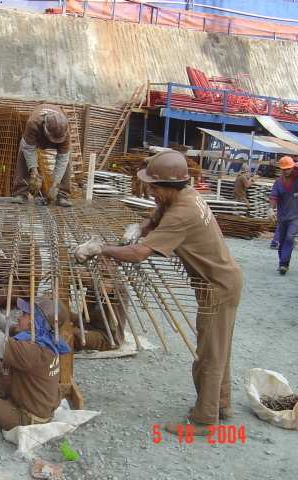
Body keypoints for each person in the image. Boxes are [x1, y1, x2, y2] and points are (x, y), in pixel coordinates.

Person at [74, 150, 243, 436]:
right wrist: (139, 227)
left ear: (168, 186)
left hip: (218, 286)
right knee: (218, 347)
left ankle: (204, 420)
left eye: (154, 186)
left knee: (209, 354)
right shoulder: (182, 194)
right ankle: (221, 405)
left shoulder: (183, 211)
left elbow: (140, 254)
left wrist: (100, 248)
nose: (150, 191)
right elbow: (154, 220)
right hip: (219, 280)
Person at [0, 298, 70, 430]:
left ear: (35, 323)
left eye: (24, 315)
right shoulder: (45, 340)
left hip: (27, 418)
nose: (19, 317)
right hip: (39, 408)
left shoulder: (32, 350)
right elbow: (10, 329)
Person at [12, 104, 73, 207]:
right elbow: (28, 148)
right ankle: (21, 193)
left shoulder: (65, 130)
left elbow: (62, 159)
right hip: (38, 137)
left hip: (56, 136)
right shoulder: (33, 123)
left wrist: (55, 184)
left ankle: (62, 195)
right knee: (23, 151)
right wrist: (34, 172)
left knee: (66, 160)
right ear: (44, 126)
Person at [268, 156, 298, 275]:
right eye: (284, 169)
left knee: (290, 238)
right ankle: (282, 263)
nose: (286, 171)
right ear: (281, 169)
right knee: (282, 240)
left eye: (289, 168)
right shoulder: (278, 182)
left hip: (295, 217)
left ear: (292, 168)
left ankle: (284, 264)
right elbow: (274, 196)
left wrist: (295, 165)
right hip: (282, 217)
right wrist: (271, 209)